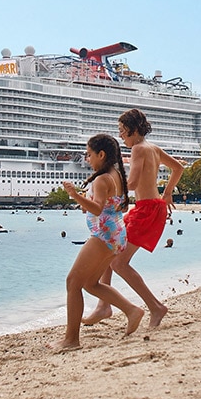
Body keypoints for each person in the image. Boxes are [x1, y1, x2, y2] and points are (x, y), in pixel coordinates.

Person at [83, 109, 184, 329]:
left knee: (118, 261)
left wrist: (106, 186)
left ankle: (155, 307)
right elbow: (178, 168)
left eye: (122, 131)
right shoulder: (153, 148)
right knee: (109, 247)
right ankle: (103, 305)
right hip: (149, 207)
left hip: (147, 210)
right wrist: (167, 193)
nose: (120, 136)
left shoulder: (138, 148)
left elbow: (133, 183)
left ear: (134, 129)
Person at [51, 134, 144, 351]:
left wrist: (74, 194)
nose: (87, 159)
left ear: (101, 155)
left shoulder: (102, 179)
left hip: (104, 236)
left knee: (73, 282)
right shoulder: (116, 174)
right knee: (90, 283)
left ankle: (71, 339)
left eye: (89, 155)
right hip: (116, 234)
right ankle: (131, 310)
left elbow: (98, 208)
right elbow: (110, 206)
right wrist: (88, 201)